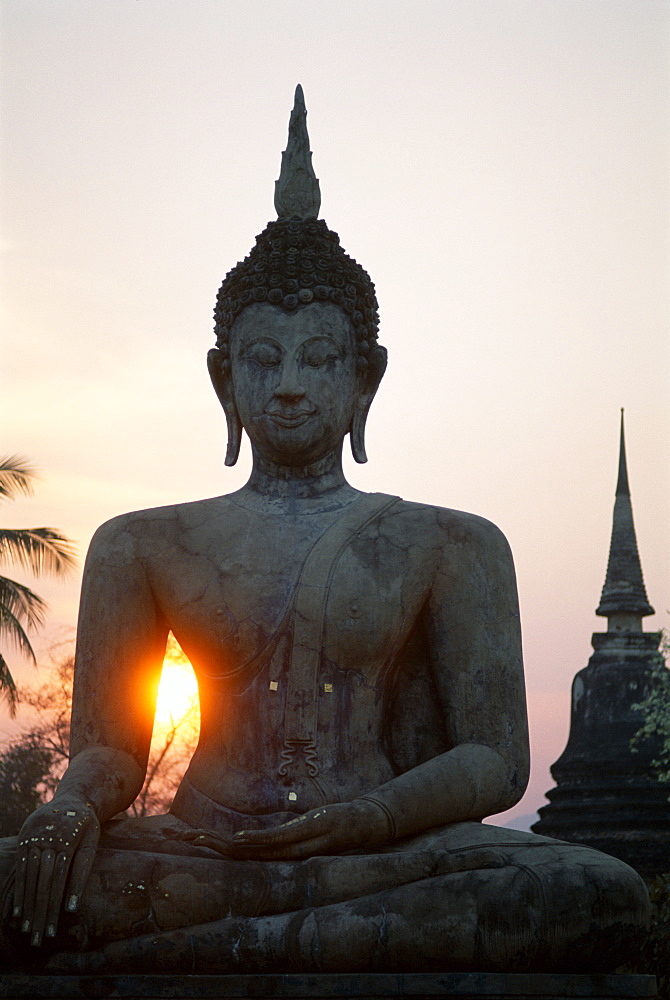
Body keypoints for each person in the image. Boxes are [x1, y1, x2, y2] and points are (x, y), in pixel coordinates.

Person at [0, 88, 649, 975]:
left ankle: (229, 951)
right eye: (264, 360)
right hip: (199, 852)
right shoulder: (141, 544)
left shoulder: (452, 544)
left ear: (366, 379)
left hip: (380, 854)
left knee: (595, 892)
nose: (291, 386)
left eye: (319, 358)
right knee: (18, 879)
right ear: (224, 381)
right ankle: (275, 940)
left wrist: (370, 820)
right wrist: (68, 806)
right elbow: (114, 748)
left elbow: (496, 760)